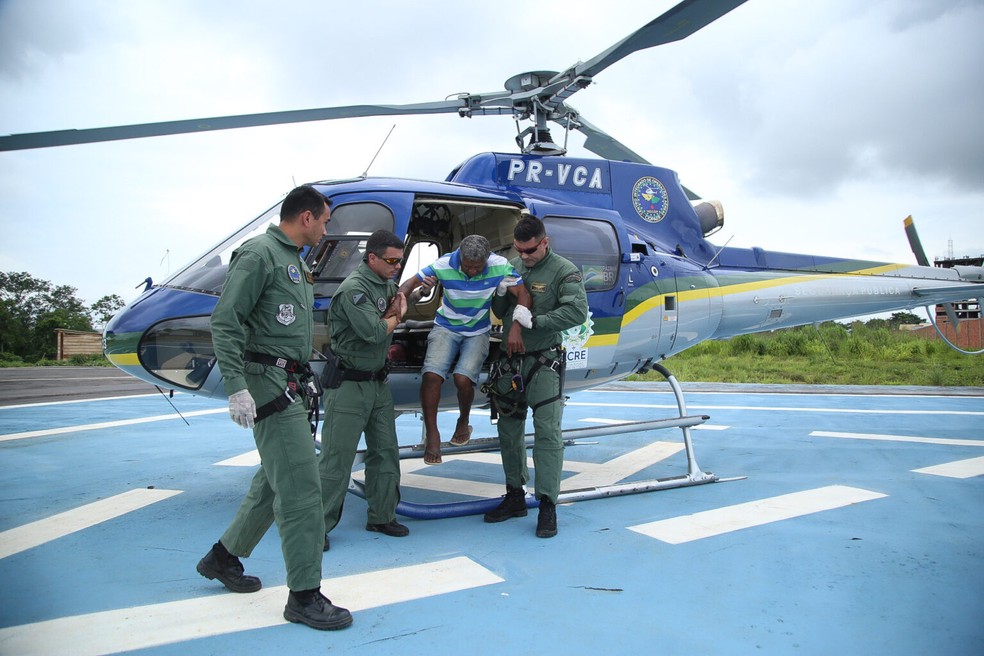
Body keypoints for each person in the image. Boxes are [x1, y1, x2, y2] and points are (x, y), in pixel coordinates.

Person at [196, 185, 352, 631]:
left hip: (290, 382)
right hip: (268, 385)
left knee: (273, 479)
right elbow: (226, 319)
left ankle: (222, 558)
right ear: (305, 217)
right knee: (303, 489)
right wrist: (236, 387)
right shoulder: (261, 254)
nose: (326, 228)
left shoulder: (294, 261)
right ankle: (304, 596)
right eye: (324, 220)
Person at [483, 216, 588, 538]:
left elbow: (576, 312)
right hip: (510, 363)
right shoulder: (513, 266)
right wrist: (500, 292)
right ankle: (514, 495)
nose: (524, 257)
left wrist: (535, 321)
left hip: (543, 362)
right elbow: (500, 310)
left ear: (545, 242)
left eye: (530, 250)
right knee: (508, 430)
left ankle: (547, 504)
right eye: (519, 250)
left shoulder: (563, 270)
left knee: (547, 433)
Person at [397, 234, 531, 465]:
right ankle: (433, 434)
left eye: (477, 268)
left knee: (462, 378)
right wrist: (397, 305)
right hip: (446, 326)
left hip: (478, 330)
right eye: (467, 267)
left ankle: (463, 421)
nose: (471, 272)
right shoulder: (444, 264)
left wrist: (517, 326)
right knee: (431, 375)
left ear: (487, 260)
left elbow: (523, 295)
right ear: (459, 258)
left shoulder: (500, 266)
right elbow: (409, 284)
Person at [319, 229, 409, 549]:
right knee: (337, 460)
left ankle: (382, 515)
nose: (397, 266)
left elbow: (388, 308)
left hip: (377, 383)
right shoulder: (354, 289)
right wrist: (399, 315)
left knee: (385, 454)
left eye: (399, 261)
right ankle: (317, 527)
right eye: (391, 260)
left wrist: (397, 304)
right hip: (349, 386)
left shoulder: (385, 283)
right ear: (371, 258)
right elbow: (373, 332)